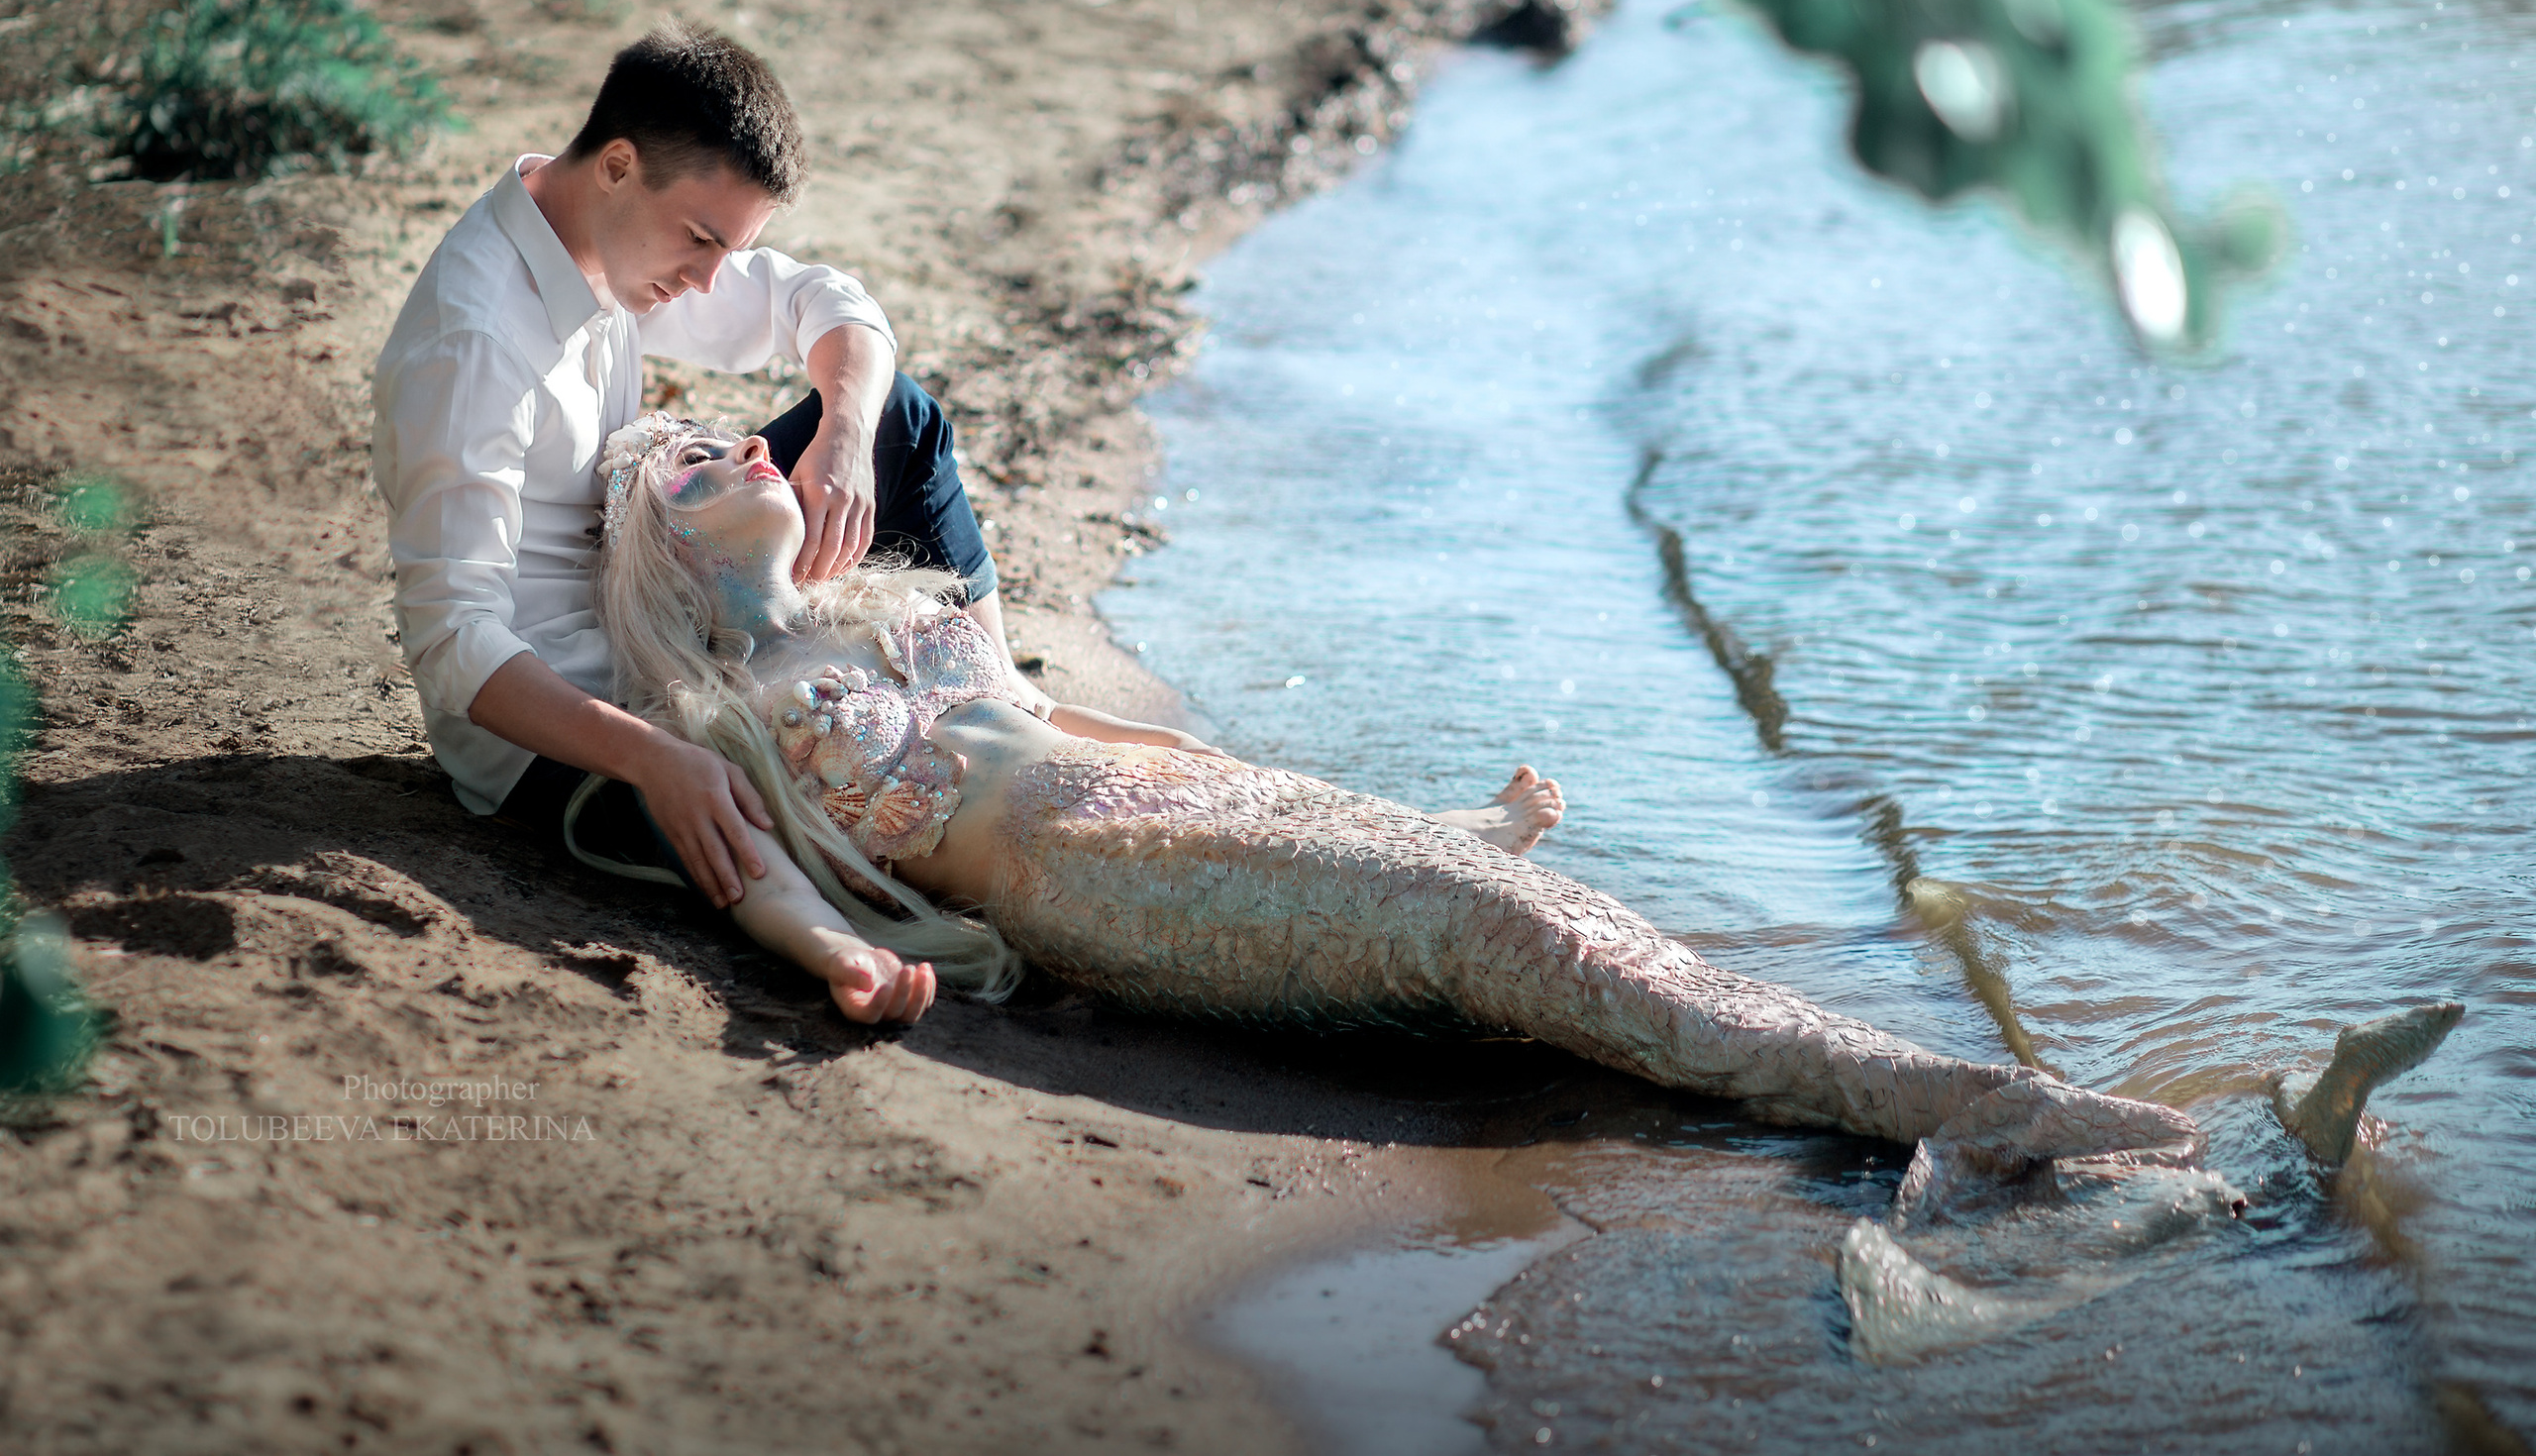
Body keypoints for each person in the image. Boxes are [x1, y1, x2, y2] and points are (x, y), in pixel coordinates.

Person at [587, 414, 2464, 1216]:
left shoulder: (905, 617)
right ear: (659, 554)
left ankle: (2032, 1125)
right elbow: (757, 881)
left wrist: (1423, 810)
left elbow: (1101, 719)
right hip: (1092, 882)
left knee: (1547, 923)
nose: (734, 448)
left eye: (737, 432)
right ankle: (1987, 1111)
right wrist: (844, 962)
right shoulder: (732, 721)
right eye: (687, 457)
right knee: (1514, 947)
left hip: (1180, 811)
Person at [370, 24, 1561, 935]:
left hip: (663, 627)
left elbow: (824, 301)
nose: (707, 277)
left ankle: (1011, 700)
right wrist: (653, 755)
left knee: (902, 417)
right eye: (700, 243)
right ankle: (1361, 871)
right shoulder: (477, 337)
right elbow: (456, 643)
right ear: (619, 165)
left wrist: (840, 430)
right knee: (975, 816)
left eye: (724, 248)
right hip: (576, 739)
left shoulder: (611, 235)